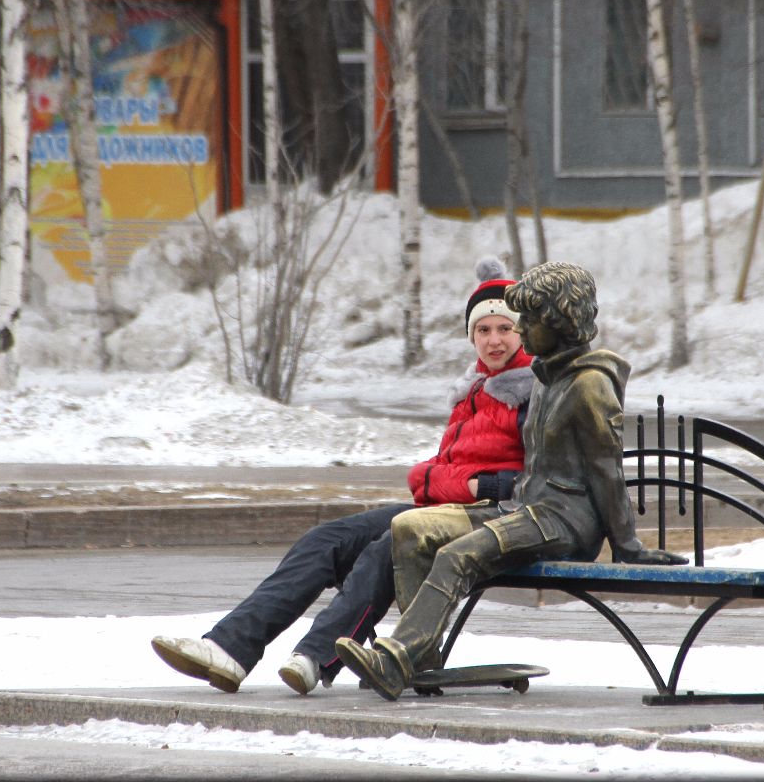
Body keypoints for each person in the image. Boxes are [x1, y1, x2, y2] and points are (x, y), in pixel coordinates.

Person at [151, 258, 534, 695]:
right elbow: (433, 477)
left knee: (387, 545)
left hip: (492, 522)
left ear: (523, 331)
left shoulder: (533, 391)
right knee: (325, 540)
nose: (494, 339)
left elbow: (531, 480)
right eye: (483, 330)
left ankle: (316, 656)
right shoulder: (472, 392)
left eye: (505, 328)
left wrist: (475, 485)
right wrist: (446, 481)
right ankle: (230, 648)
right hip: (443, 507)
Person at [335, 261, 686, 701]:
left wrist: (627, 545)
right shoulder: (546, 377)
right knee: (408, 529)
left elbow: (606, 469)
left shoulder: (590, 384)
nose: (523, 329)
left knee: (458, 555)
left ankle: (396, 656)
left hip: (564, 521)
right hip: (526, 509)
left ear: (558, 321)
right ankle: (420, 662)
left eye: (531, 320)